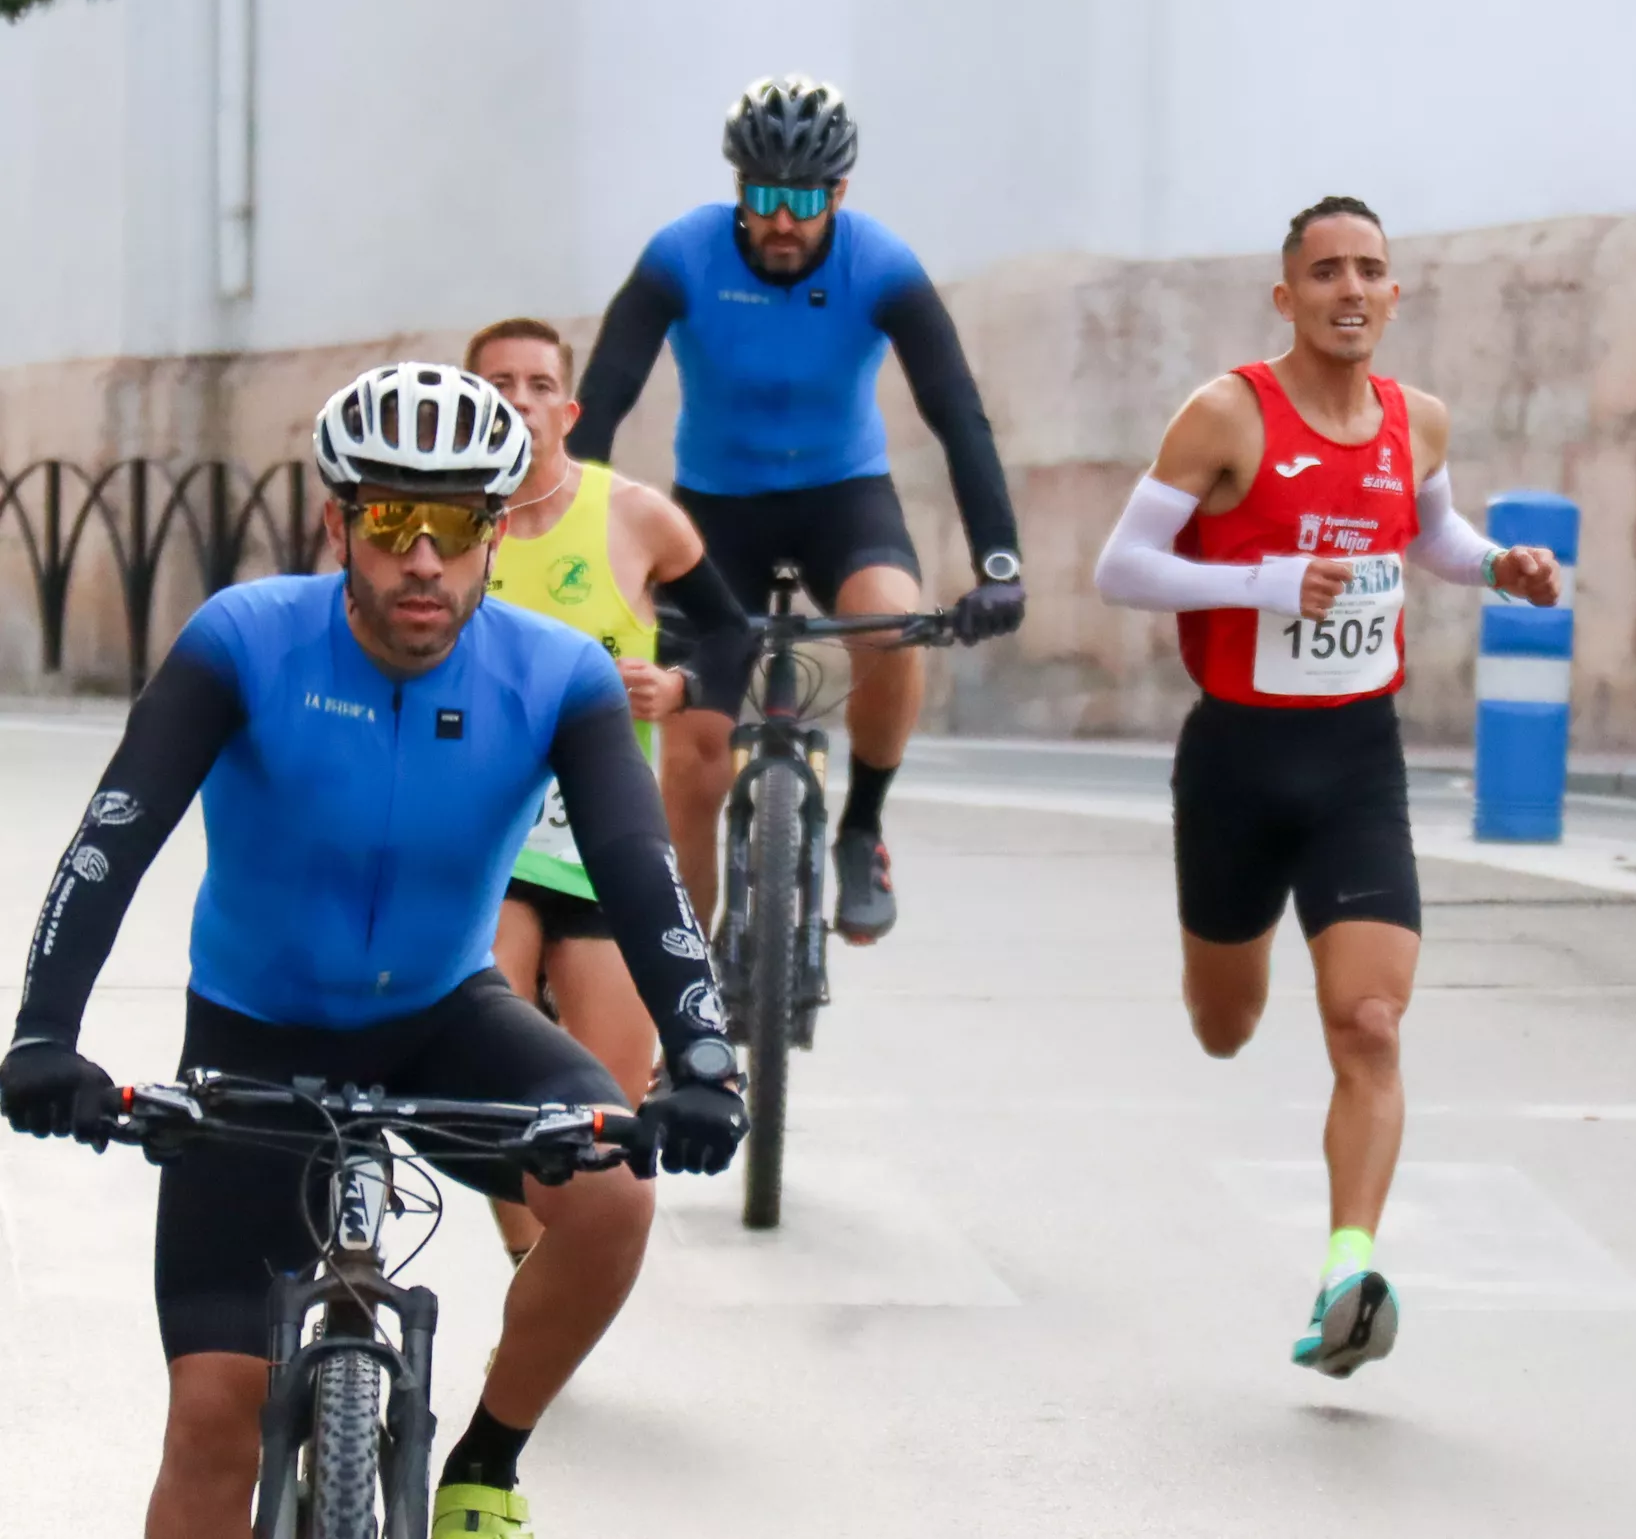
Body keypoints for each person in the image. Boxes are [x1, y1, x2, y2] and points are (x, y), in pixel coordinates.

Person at [0, 363, 749, 1539]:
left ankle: (483, 1469)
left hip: (446, 1017)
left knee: (615, 1199)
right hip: (255, 1032)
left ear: (493, 532)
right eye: (390, 519)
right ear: (338, 523)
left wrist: (705, 1052)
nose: (422, 559)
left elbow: (637, 869)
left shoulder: (557, 675)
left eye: (452, 524)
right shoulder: (245, 640)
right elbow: (112, 839)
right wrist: (45, 1034)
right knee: (211, 1419)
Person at [1093, 195, 1562, 1376]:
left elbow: (1432, 541)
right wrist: (1262, 582)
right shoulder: (1226, 415)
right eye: (1325, 272)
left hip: (1357, 754)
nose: (1349, 290)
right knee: (1225, 1022)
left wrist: (1498, 567)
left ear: (1394, 293)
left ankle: (1346, 1271)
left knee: (1368, 1021)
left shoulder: (1419, 423)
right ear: (1286, 293)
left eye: (1370, 271)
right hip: (1237, 761)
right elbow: (1121, 567)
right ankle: (1223, 971)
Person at [568, 74, 1026, 946]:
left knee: (887, 622)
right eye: (765, 196)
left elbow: (956, 411)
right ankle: (686, 995)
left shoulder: (881, 264)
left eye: (805, 199)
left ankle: (861, 828)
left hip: (841, 499)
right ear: (737, 188)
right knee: (695, 761)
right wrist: (575, 522)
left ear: (840, 193)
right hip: (716, 514)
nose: (784, 220)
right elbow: (606, 395)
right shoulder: (682, 254)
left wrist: (999, 561)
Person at [469, 315, 752, 1266]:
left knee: (607, 1117)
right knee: (488, 1089)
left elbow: (729, 635)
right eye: (498, 382)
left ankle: (558, 1278)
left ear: (570, 407)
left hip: (603, 845)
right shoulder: (434, 524)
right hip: (485, 842)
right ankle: (527, 1272)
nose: (517, 399)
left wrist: (680, 688)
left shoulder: (634, 514)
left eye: (538, 383)